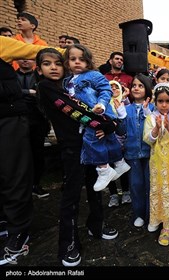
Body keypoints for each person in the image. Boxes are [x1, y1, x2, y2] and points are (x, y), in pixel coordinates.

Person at [36, 48, 119, 266]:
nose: (53, 67)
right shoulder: (47, 88)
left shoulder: (71, 84)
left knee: (95, 188)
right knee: (71, 196)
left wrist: (109, 122)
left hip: (90, 144)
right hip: (72, 149)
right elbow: (78, 111)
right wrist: (108, 124)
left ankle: (96, 225)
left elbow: (97, 101)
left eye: (57, 63)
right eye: (47, 63)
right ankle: (68, 244)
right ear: (39, 69)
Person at [63, 44, 130, 192]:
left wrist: (102, 104)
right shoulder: (67, 81)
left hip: (98, 113)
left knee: (91, 141)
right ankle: (119, 163)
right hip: (84, 116)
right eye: (73, 59)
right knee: (108, 139)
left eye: (81, 59)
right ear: (67, 62)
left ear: (88, 61)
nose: (77, 62)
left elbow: (105, 89)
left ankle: (104, 169)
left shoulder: (93, 75)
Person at [0, 35, 37, 266]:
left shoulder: (3, 45)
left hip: (8, 120)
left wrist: (73, 55)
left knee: (13, 175)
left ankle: (19, 232)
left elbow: (33, 51)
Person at [143, 83, 169, 246]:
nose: (164, 104)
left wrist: (168, 126)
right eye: (160, 101)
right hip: (158, 163)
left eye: (167, 101)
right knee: (161, 190)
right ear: (155, 101)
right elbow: (147, 139)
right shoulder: (150, 118)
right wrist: (155, 130)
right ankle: (164, 226)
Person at [119, 73, 155, 230]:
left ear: (147, 88)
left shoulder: (154, 107)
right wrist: (120, 115)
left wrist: (149, 115)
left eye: (140, 85)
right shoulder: (126, 108)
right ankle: (139, 214)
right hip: (132, 153)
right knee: (136, 185)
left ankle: (151, 214)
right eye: (134, 85)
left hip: (150, 154)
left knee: (150, 185)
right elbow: (120, 131)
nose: (136, 88)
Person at [15, 58, 50, 198]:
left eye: (28, 59)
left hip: (37, 119)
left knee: (38, 153)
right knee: (19, 155)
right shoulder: (12, 75)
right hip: (18, 120)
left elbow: (42, 95)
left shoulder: (39, 77)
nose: (25, 61)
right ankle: (21, 186)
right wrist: (28, 92)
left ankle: (36, 184)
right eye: (22, 58)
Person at [107, 81, 131, 207]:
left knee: (123, 169)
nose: (114, 89)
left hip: (121, 142)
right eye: (111, 87)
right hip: (107, 143)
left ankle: (126, 192)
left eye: (117, 87)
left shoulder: (125, 103)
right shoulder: (104, 103)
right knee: (109, 168)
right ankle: (113, 195)